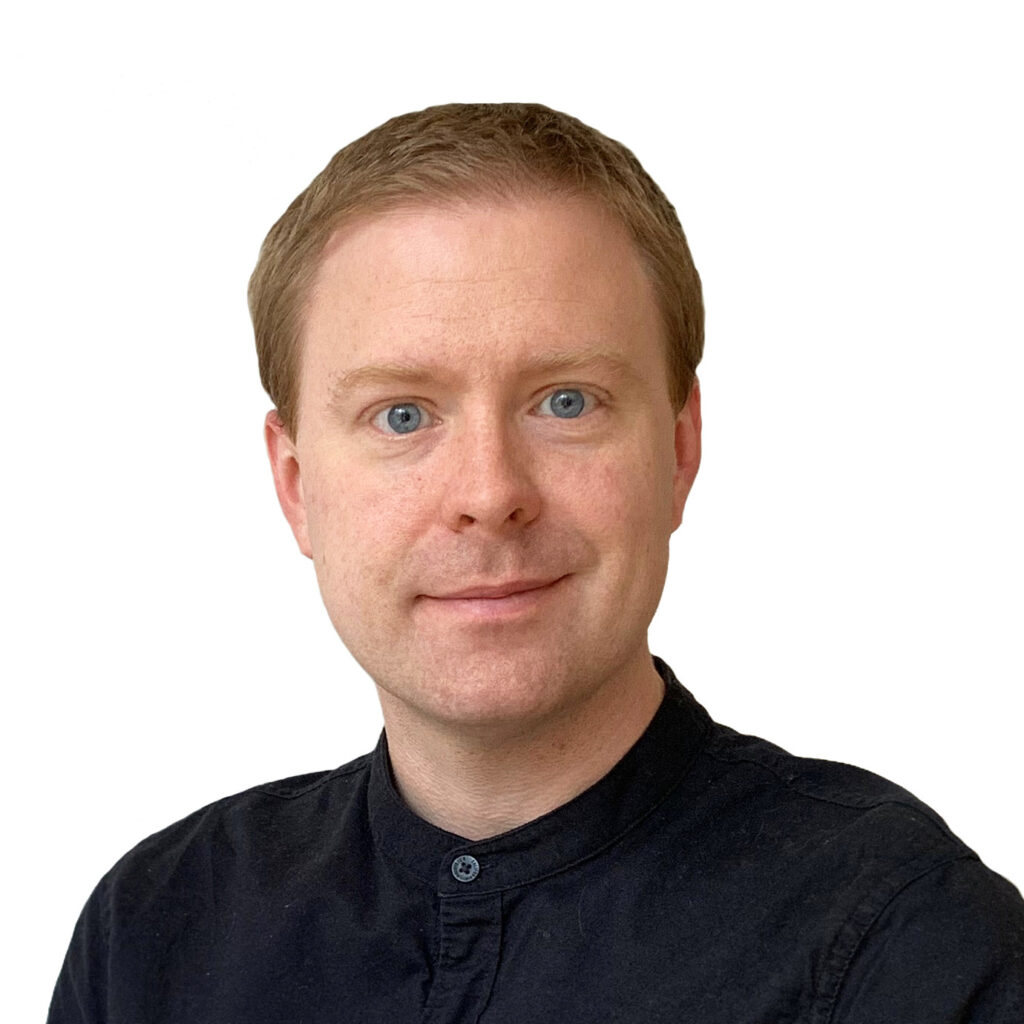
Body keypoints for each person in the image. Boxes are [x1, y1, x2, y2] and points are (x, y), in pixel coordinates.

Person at [48, 102, 1024, 1023]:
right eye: (402, 414)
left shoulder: (904, 941)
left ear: (678, 448)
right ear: (297, 485)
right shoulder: (155, 933)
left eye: (566, 401)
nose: (489, 490)